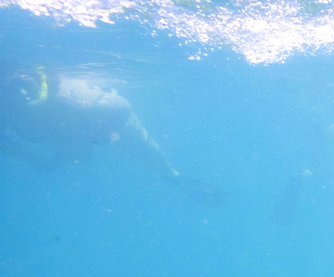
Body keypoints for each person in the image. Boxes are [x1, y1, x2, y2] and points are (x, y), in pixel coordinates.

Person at [0, 66, 223, 206]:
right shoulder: (16, 114)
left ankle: (175, 177)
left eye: (22, 88)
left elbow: (121, 109)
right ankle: (173, 179)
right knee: (93, 164)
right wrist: (32, 158)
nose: (20, 95)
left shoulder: (79, 100)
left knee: (142, 151)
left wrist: (100, 133)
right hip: (80, 133)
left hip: (105, 126)